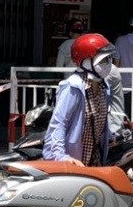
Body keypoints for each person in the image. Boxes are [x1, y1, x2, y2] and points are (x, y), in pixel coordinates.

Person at [44, 33, 114, 166]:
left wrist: (110, 136)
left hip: (95, 158)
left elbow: (100, 122)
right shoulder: (73, 87)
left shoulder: (104, 87)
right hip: (74, 163)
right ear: (86, 61)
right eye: (104, 60)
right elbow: (59, 123)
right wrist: (60, 156)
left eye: (110, 59)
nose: (108, 64)